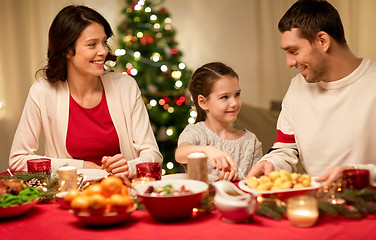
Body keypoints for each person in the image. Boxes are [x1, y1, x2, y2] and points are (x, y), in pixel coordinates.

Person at [9, 5, 162, 179]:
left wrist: (130, 167)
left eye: (104, 42)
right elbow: (17, 160)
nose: (103, 51)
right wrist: (83, 166)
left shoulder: (125, 87)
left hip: (123, 195)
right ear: (67, 50)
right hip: (70, 198)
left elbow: (153, 156)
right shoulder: (43, 91)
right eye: (92, 44)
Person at [246, 0, 376, 186]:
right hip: (312, 205)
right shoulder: (297, 87)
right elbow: (286, 149)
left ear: (322, 41)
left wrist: (357, 175)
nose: (289, 62)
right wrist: (270, 164)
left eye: (294, 51)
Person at [175, 62, 263, 181]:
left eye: (237, 94)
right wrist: (207, 150)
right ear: (203, 102)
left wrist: (238, 181)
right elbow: (180, 154)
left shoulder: (251, 141)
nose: (234, 103)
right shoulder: (196, 132)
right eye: (224, 97)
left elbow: (257, 184)